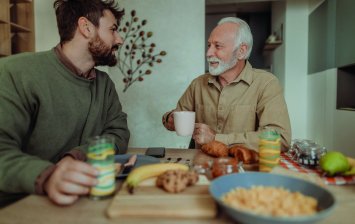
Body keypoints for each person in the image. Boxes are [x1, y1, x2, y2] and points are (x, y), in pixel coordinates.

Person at [0, 0, 130, 207]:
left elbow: (119, 133)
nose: (120, 39)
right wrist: (48, 176)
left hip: (84, 201)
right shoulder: (14, 73)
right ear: (86, 27)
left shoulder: (105, 85)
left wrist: (77, 155)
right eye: (113, 30)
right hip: (19, 205)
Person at [162, 17, 291, 151]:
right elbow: (176, 117)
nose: (208, 53)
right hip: (201, 166)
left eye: (217, 46)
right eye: (209, 45)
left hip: (244, 167)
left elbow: (280, 138)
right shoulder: (198, 84)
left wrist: (217, 139)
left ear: (241, 51)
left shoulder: (266, 83)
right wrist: (170, 119)